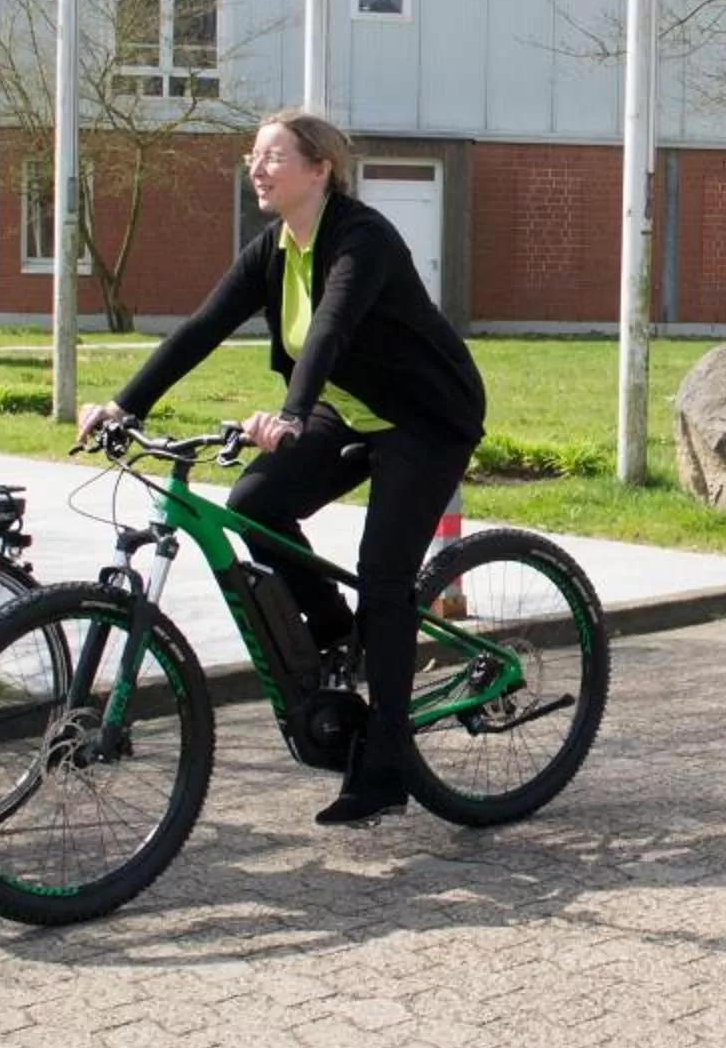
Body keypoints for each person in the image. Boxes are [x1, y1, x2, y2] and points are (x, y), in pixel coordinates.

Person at [77, 109, 485, 828]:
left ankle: (387, 765)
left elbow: (330, 327)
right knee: (256, 501)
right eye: (252, 156)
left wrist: (291, 414)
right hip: (347, 407)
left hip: (424, 416)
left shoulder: (362, 238)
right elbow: (204, 326)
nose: (256, 168)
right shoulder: (273, 248)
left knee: (385, 580)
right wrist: (123, 404)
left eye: (272, 157)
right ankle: (337, 632)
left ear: (320, 168)